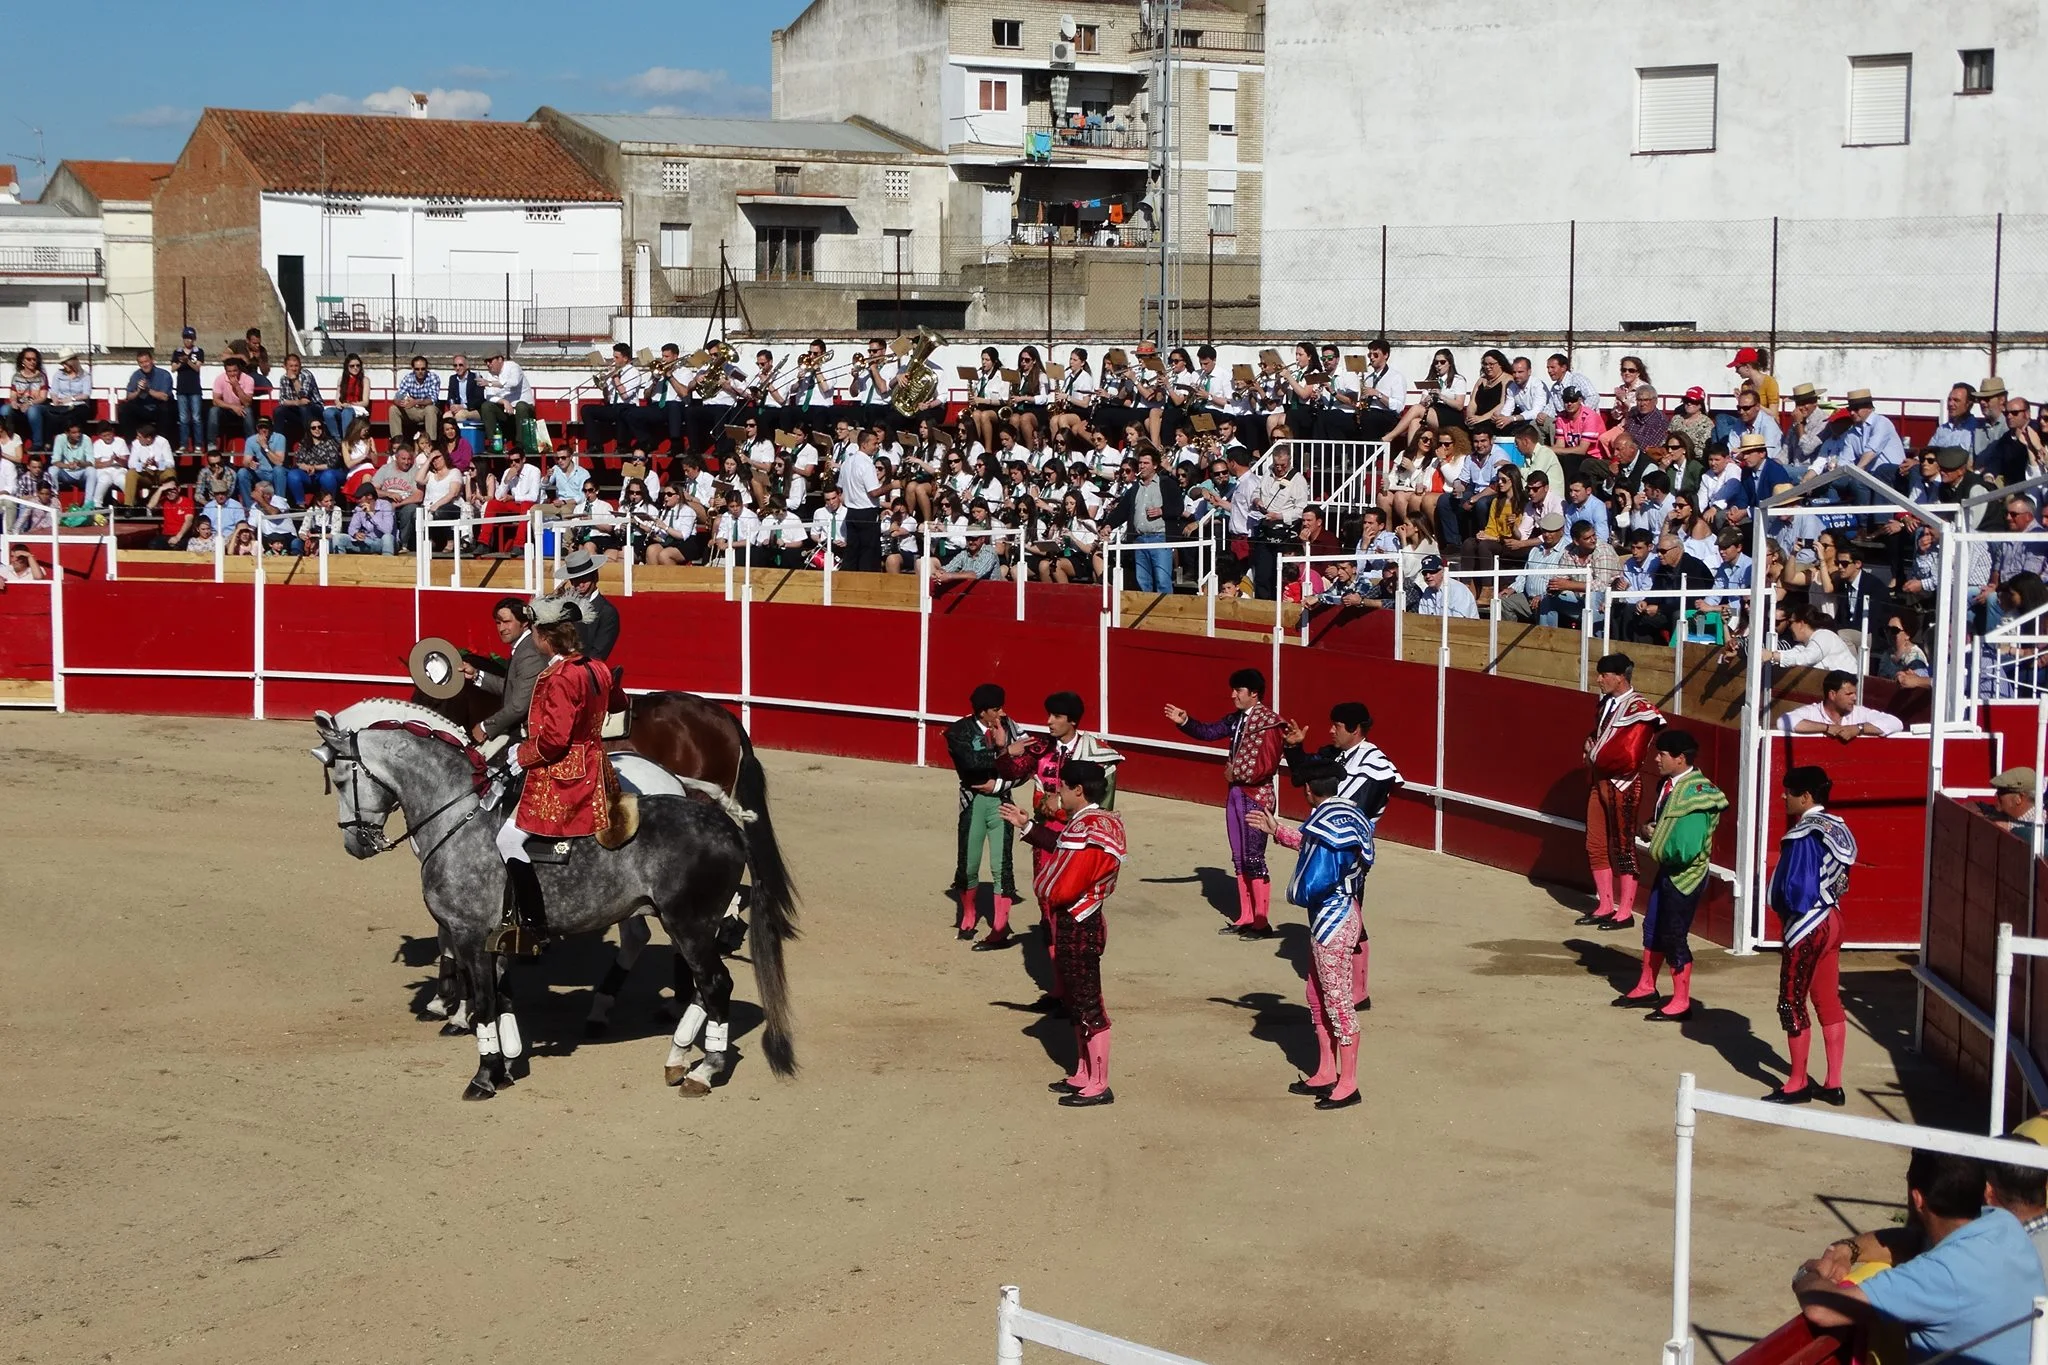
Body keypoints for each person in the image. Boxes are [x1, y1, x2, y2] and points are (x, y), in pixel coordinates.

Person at [1795, 1149, 2046, 1365]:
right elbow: (1912, 1240)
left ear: (1917, 1199)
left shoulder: (1940, 1273)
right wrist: (1848, 1248)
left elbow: (1821, 1308)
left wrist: (1808, 1273)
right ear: (1984, 1191)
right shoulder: (2003, 1224)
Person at [489, 598, 618, 957]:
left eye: (535, 633)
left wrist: (521, 754)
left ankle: (533, 924)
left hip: (564, 775)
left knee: (507, 839)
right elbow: (619, 702)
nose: (532, 638)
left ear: (547, 638)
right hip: (597, 763)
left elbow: (555, 741)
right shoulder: (597, 666)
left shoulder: (560, 677)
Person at [999, 759, 1126, 1108]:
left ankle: (1100, 1084)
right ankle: (1084, 1073)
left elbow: (1071, 879)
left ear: (1078, 790)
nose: (1057, 795)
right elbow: (1062, 846)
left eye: (1062, 788)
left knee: (1088, 1001)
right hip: (1074, 920)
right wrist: (1027, 827)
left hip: (1081, 920)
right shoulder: (1086, 823)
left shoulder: (1095, 827)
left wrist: (1050, 894)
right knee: (1076, 1000)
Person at [1250, 759, 1374, 1109]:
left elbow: (1316, 870)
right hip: (1339, 914)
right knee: (1317, 993)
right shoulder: (1349, 815)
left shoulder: (1327, 822)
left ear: (1308, 791)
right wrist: (1277, 829)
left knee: (1336, 1000)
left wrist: (1297, 892)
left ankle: (1348, 1083)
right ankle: (1325, 1071)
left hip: (1333, 920)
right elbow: (1311, 841)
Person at [998, 691, 1125, 966]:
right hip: (1043, 835)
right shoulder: (1041, 748)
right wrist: (1006, 752)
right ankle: (1058, 983)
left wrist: (1052, 806)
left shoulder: (1098, 753)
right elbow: (1010, 773)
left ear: (1073, 721)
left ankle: (1080, 969)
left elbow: (1101, 804)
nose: (1049, 722)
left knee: (1080, 902)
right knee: (1047, 901)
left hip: (1080, 838)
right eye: (1049, 715)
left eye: (1056, 716)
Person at [1760, 764, 1859, 1104]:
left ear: (1805, 796)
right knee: (1828, 1000)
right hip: (1833, 917)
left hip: (1807, 924)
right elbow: (1842, 877)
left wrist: (1787, 912)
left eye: (1789, 791)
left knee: (1791, 1002)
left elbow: (1797, 888)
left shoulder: (1803, 833)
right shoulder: (1837, 826)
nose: (1783, 796)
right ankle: (1833, 1083)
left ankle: (1798, 1082)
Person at [1613, 730, 1727, 1021]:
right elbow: (1662, 825)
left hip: (1685, 874)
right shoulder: (1669, 784)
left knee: (1674, 935)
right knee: (1652, 927)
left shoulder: (1697, 794)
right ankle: (1646, 986)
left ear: (1680, 758)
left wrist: (1659, 847)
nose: (1656, 758)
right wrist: (1648, 831)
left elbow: (1686, 848)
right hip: (1668, 870)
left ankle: (1681, 1001)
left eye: (1662, 754)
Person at [1166, 667, 1287, 937]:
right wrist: (1185, 721)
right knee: (1240, 857)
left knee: (1254, 857)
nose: (1232, 695)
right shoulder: (1237, 719)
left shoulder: (1270, 722)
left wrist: (1237, 773)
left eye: (1238, 690)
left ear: (1253, 693)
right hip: (1235, 792)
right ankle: (1246, 916)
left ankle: (1261, 922)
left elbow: (1267, 764)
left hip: (1256, 795)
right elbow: (1209, 732)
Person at [1579, 653, 1665, 930]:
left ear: (1619, 677)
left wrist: (1595, 755)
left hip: (1623, 784)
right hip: (1600, 781)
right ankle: (1605, 904)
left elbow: (1629, 755)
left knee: (1623, 846)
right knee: (1595, 843)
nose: (1598, 680)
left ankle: (1625, 911)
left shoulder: (1640, 708)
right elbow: (1598, 735)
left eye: (1603, 675)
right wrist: (1589, 744)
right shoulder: (1604, 703)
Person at [945, 683, 1025, 944]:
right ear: (981, 712)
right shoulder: (958, 732)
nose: (1001, 713)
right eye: (995, 709)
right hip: (973, 802)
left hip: (1001, 800)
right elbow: (971, 765)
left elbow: (1024, 768)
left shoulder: (1011, 728)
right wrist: (1004, 751)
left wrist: (1002, 775)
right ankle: (968, 915)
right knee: (968, 864)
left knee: (1001, 865)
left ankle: (1000, 926)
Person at [464, 596, 544, 746]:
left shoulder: (528, 653)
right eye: (498, 623)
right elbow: (515, 688)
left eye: (507, 622)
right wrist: (476, 675)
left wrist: (485, 727)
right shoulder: (523, 647)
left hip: (530, 738)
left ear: (525, 623)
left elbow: (519, 706)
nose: (501, 629)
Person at [1781, 670, 1905, 741]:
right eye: (1849, 694)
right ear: (1832, 695)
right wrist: (1827, 728)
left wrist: (1858, 729)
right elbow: (1783, 721)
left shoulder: (1859, 712)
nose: (1854, 698)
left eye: (1855, 693)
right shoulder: (1813, 711)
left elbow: (1896, 723)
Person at [558, 549, 620, 660]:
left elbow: (597, 654)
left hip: (584, 670)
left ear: (595, 577)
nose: (580, 584)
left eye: (584, 579)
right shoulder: (565, 606)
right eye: (575, 580)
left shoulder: (607, 612)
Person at [1986, 768, 2040, 833]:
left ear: (2019, 798)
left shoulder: (2037, 823)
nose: (1996, 795)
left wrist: (2008, 827)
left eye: (2001, 791)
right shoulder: (2011, 815)